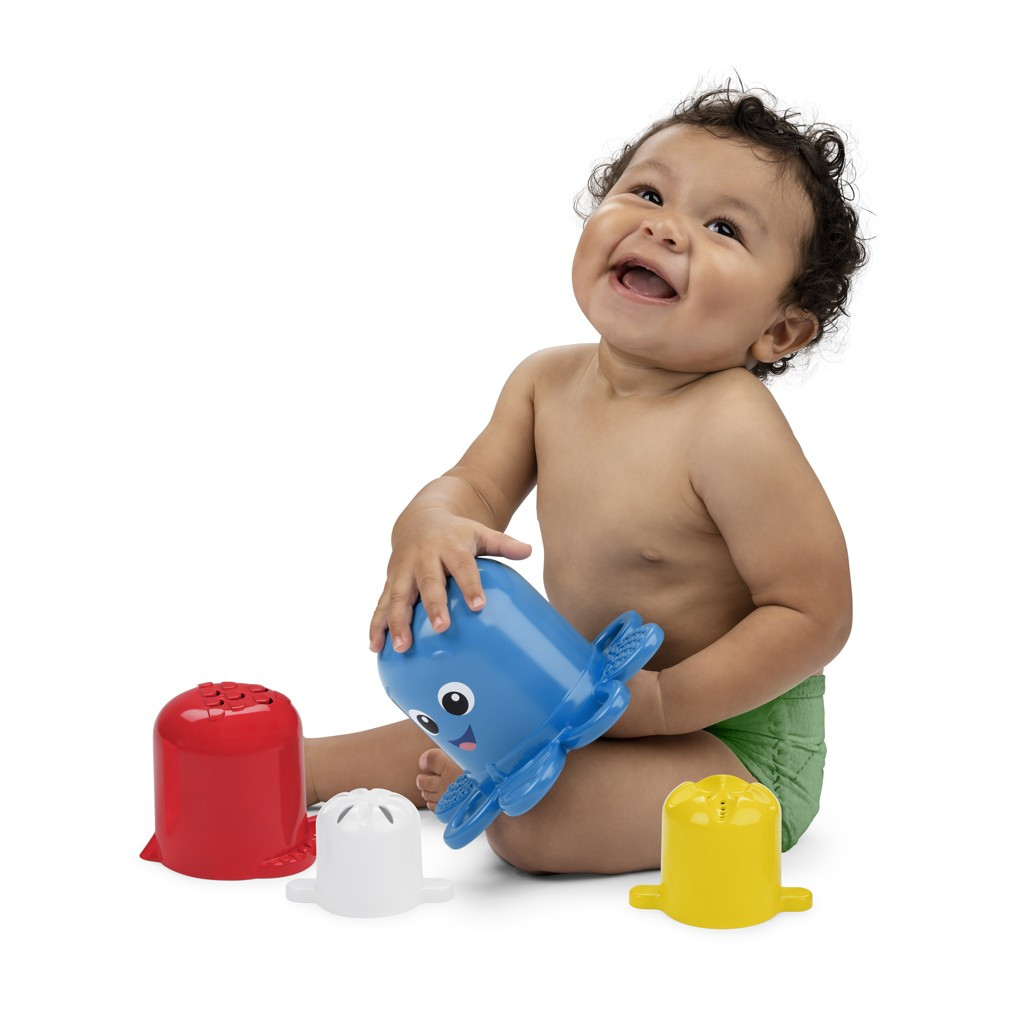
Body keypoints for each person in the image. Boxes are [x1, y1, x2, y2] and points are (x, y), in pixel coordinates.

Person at [305, 86, 867, 873]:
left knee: (532, 825)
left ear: (779, 329)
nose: (663, 226)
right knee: (409, 735)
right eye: (647, 193)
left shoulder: (731, 426)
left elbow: (814, 614)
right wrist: (430, 525)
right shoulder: (545, 384)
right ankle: (291, 769)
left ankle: (506, 783)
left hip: (735, 749)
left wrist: (661, 705)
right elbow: (468, 489)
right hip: (570, 702)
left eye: (722, 227)